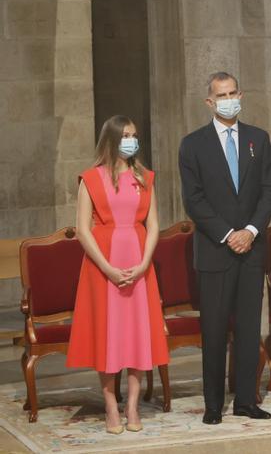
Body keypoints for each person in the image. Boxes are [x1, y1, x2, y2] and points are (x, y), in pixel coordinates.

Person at [178, 71, 271, 425]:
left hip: (251, 250)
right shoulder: (193, 144)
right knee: (215, 330)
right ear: (210, 102)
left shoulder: (258, 139)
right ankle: (213, 404)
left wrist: (250, 231)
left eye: (233, 93)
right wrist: (227, 234)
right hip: (215, 251)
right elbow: (194, 200)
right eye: (221, 95)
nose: (229, 100)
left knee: (249, 329)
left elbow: (269, 191)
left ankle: (246, 401)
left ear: (241, 95)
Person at [67, 116, 169, 434]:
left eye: (134, 135)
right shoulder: (90, 179)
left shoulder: (145, 177)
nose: (131, 141)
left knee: (137, 334)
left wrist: (144, 263)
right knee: (107, 335)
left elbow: (153, 225)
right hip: (103, 266)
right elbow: (83, 230)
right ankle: (111, 406)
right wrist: (108, 269)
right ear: (111, 139)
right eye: (125, 135)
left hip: (139, 264)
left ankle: (133, 406)